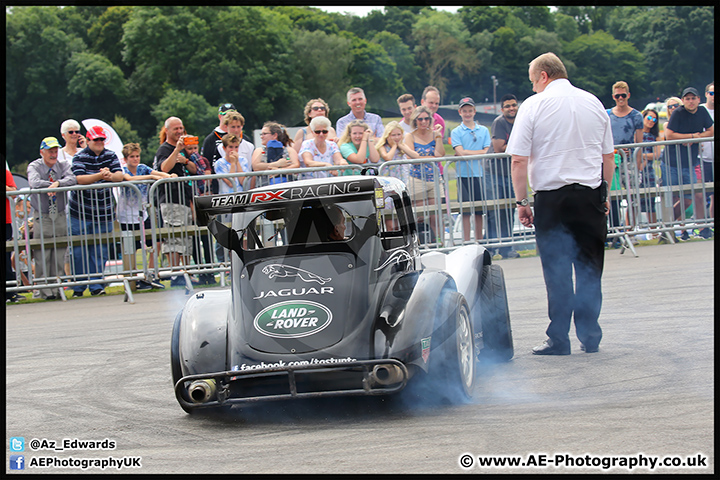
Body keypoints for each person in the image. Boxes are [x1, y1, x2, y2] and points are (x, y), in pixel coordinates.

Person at [507, 52, 615, 355]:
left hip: (552, 198)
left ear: (543, 75)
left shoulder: (534, 105)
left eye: (533, 82)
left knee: (556, 271)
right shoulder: (593, 102)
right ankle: (590, 336)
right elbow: (609, 156)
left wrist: (522, 201)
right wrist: (603, 193)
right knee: (590, 267)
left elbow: (518, 159)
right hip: (590, 194)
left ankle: (559, 338)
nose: (532, 88)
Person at [69, 125, 125, 297]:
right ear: (88, 140)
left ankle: (97, 285)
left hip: (104, 211)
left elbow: (119, 176)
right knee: (78, 250)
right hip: (81, 211)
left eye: (102, 139)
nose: (100, 142)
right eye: (96, 140)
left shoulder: (110, 155)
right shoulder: (80, 156)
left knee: (100, 250)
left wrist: (109, 176)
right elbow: (79, 178)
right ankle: (79, 286)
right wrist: (100, 176)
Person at [27, 137, 77, 299]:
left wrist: (57, 184)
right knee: (43, 253)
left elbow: (72, 179)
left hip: (60, 214)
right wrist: (48, 185)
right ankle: (43, 290)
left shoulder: (63, 165)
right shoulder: (35, 165)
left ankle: (57, 289)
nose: (53, 154)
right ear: (42, 152)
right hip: (43, 215)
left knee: (59, 253)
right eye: (50, 151)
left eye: (55, 150)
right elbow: (34, 182)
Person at [118, 143, 171, 289]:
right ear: (126, 158)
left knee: (156, 242)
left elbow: (158, 173)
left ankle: (151, 274)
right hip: (127, 215)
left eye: (137, 156)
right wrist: (150, 176)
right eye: (131, 157)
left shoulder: (142, 167)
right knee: (131, 248)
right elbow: (129, 179)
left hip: (143, 214)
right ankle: (133, 279)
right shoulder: (122, 170)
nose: (135, 159)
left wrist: (168, 176)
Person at [664, 87, 714, 240]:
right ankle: (668, 231)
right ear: (683, 100)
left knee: (688, 198)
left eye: (693, 98)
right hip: (671, 162)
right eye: (687, 99)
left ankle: (667, 225)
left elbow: (711, 131)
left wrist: (696, 138)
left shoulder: (702, 112)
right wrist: (690, 137)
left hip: (690, 162)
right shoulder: (678, 113)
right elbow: (669, 134)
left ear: (699, 99)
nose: (690, 101)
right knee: (671, 197)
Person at [153, 117, 198, 288]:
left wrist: (185, 158)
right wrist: (177, 151)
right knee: (174, 238)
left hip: (186, 199)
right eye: (175, 129)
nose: (179, 131)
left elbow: (194, 169)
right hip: (171, 199)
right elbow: (164, 168)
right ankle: (175, 273)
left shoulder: (185, 149)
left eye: (181, 128)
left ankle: (186, 272)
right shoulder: (165, 149)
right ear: (168, 131)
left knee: (186, 238)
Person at [450, 97, 491, 242]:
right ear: (460, 112)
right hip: (463, 175)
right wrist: (475, 153)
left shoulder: (484, 130)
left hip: (480, 173)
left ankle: (479, 240)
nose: (467, 114)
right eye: (464, 111)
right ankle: (467, 240)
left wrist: (468, 153)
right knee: (466, 210)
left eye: (470, 111)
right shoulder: (456, 132)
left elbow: (487, 150)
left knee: (479, 210)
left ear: (474, 111)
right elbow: (460, 152)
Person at [402, 105, 445, 241]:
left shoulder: (434, 135)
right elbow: (411, 159)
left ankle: (441, 242)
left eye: (426, 118)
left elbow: (439, 155)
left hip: (434, 178)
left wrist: (438, 138)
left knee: (436, 215)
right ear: (415, 120)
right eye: (420, 119)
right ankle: (419, 244)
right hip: (417, 179)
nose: (423, 122)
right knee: (419, 216)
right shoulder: (410, 136)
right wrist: (429, 158)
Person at [607, 81, 644, 235]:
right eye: (617, 96)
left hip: (629, 161)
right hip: (612, 160)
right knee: (612, 196)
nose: (620, 98)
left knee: (633, 197)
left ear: (628, 95)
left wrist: (638, 162)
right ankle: (615, 229)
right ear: (613, 97)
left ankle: (630, 230)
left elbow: (639, 142)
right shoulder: (607, 114)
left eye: (623, 95)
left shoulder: (636, 115)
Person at [485, 94, 519, 258]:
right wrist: (520, 145)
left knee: (510, 209)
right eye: (508, 106)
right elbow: (499, 148)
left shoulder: (520, 121)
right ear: (502, 109)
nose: (511, 108)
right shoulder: (499, 122)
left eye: (514, 105)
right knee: (495, 210)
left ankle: (507, 247)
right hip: (494, 172)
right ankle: (489, 248)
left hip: (511, 172)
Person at [201, 102, 235, 194]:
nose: (230, 117)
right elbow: (206, 162)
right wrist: (209, 188)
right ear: (220, 116)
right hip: (218, 184)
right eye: (226, 115)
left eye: (232, 114)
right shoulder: (210, 139)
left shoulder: (241, 136)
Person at [636, 109, 662, 228]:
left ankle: (654, 230)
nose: (651, 121)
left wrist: (643, 156)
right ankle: (630, 230)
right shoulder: (636, 134)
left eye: (654, 119)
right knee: (634, 202)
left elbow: (656, 154)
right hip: (636, 170)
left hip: (649, 172)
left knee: (651, 202)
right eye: (649, 118)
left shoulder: (654, 137)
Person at [252, 121, 301, 186]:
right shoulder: (259, 150)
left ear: (275, 135)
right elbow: (256, 166)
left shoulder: (289, 150)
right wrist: (276, 164)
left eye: (264, 134)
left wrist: (279, 171)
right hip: (265, 188)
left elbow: (296, 165)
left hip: (287, 186)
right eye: (261, 134)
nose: (261, 136)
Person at [376, 121, 412, 185]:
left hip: (400, 177)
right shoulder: (382, 147)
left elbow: (414, 155)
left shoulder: (402, 146)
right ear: (387, 136)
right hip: (386, 178)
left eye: (399, 134)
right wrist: (394, 146)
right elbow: (388, 157)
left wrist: (400, 146)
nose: (397, 137)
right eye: (393, 135)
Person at [697, 82, 714, 221]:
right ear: (706, 94)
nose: (714, 96)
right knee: (701, 195)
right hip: (702, 158)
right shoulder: (700, 110)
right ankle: (702, 226)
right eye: (712, 93)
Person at [6, 166, 22, 303]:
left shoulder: (5, 173)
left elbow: (14, 192)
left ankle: (10, 292)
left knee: (6, 258)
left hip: (5, 221)